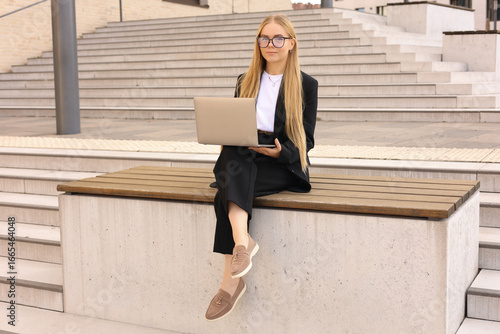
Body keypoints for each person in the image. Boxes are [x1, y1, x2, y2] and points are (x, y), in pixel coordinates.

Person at [205, 14, 318, 321]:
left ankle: (231, 281)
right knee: (233, 148)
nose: (271, 45)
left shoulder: (306, 84)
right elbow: (233, 124)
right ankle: (243, 243)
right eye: (264, 38)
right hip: (243, 154)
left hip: (282, 163)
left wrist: (282, 151)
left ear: (291, 44)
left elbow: (307, 138)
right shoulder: (246, 80)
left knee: (226, 193)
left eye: (278, 38)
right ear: (258, 43)